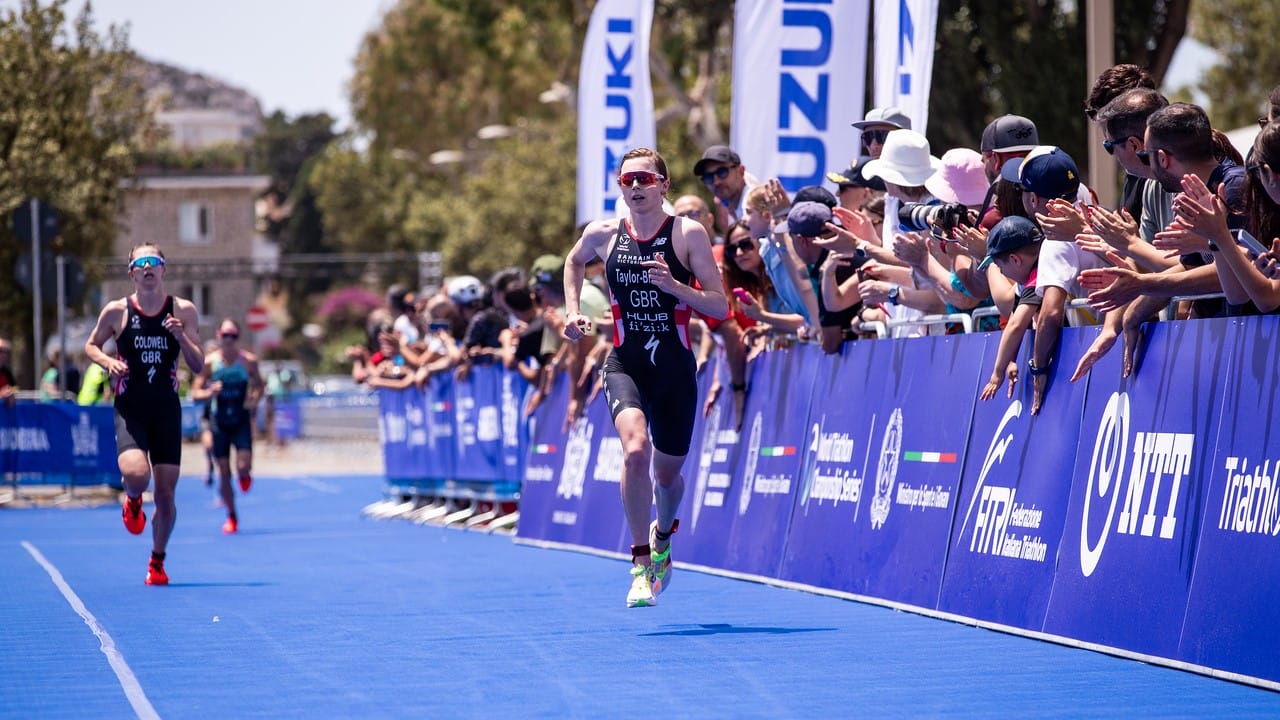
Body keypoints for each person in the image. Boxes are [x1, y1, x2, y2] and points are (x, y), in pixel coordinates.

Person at [563, 147, 728, 608]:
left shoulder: (688, 234)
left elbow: (719, 306)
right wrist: (573, 312)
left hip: (674, 369)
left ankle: (662, 537)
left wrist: (675, 287)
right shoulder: (602, 234)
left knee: (667, 478)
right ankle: (639, 565)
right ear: (620, 186)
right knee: (635, 450)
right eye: (628, 179)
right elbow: (573, 263)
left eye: (646, 179)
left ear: (663, 185)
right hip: (625, 363)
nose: (636, 186)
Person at [84, 243, 204, 586]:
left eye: (154, 261)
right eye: (141, 263)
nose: (148, 267)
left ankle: (157, 560)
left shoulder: (183, 310)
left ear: (164, 269)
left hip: (166, 410)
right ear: (131, 273)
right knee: (137, 475)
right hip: (131, 409)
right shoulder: (117, 311)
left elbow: (198, 365)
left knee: (166, 495)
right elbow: (91, 345)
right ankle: (133, 499)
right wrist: (108, 362)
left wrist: (181, 337)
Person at [191, 319, 264, 534]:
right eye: (225, 335)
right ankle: (232, 516)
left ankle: (245, 474)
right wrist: (209, 392)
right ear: (219, 336)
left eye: (233, 336)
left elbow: (259, 385)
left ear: (238, 338)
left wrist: (254, 400)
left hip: (240, 420)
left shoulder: (248, 361)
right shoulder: (210, 363)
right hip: (219, 422)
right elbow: (195, 393)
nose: (229, 340)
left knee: (242, 466)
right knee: (224, 472)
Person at [0, 336, 15, 407]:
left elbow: (15, 387)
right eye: (0, 351)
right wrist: (1, 394)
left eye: (5, 352)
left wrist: (11, 392)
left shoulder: (7, 372)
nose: (3, 355)